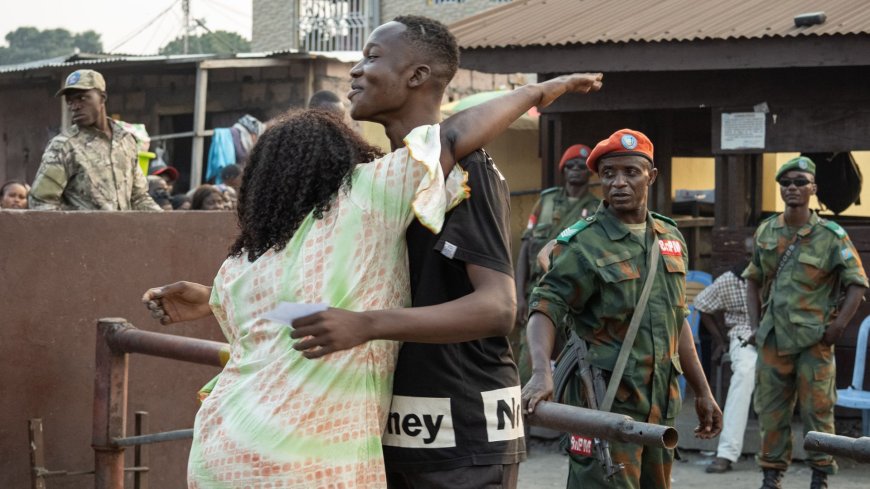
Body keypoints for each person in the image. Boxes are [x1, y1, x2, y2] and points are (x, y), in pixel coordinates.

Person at [144, 65, 603, 489]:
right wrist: (540, 90)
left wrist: (210, 297)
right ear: (344, 163)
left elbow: (283, 314)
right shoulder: (363, 199)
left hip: (219, 449)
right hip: (307, 464)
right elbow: (452, 137)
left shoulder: (242, 264)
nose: (359, 70)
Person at [523, 129, 722, 489]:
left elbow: (677, 320)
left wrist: (703, 390)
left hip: (660, 402)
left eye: (631, 172)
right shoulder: (583, 243)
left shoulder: (670, 239)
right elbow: (544, 306)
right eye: (609, 174)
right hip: (603, 401)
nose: (619, 183)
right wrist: (541, 371)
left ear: (651, 176)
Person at [743, 156, 868, 489]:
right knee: (770, 412)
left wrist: (839, 326)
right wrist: (755, 327)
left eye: (800, 182)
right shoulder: (767, 230)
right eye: (786, 183)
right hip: (773, 340)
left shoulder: (830, 235)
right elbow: (752, 279)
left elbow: (857, 283)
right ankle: (771, 476)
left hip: (814, 342)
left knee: (818, 413)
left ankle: (820, 477)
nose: (792, 188)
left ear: (813, 188)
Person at [515, 143, 599, 384]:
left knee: (574, 366)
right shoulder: (546, 201)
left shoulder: (595, 210)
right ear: (563, 170)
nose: (575, 170)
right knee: (528, 364)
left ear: (589, 172)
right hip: (537, 293)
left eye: (581, 166)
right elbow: (526, 249)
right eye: (570, 166)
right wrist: (518, 296)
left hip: (573, 299)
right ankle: (526, 420)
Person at [28, 69, 161, 211]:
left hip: (123, 231)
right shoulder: (64, 146)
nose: (75, 106)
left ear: (102, 98)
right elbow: (41, 203)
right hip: (83, 232)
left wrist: (167, 223)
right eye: (70, 101)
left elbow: (139, 197)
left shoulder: (126, 141)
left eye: (82, 98)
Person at [694, 236, 756, 474]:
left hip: (777, 337)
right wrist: (720, 340)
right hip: (744, 335)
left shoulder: (778, 275)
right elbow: (701, 303)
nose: (753, 259)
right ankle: (727, 452)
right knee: (744, 373)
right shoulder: (732, 278)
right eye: (750, 254)